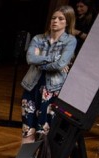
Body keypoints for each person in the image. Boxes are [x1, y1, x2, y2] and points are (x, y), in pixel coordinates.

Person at [21, 6, 76, 143]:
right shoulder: (38, 39)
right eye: (53, 18)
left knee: (44, 126)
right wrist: (53, 59)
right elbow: (30, 59)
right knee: (27, 125)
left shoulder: (70, 40)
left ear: (67, 22)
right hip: (32, 85)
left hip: (52, 88)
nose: (55, 21)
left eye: (60, 19)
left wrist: (41, 62)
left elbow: (60, 64)